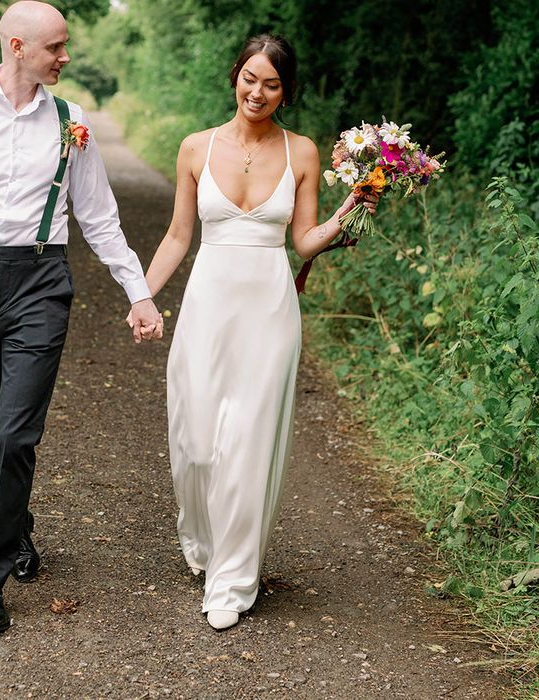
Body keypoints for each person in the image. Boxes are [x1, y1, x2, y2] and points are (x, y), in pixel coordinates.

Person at [0, 0, 162, 635]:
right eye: (56, 48)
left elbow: (97, 216)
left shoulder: (74, 122)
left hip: (41, 280)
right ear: (17, 47)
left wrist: (139, 291)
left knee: (17, 433)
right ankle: (15, 526)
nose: (66, 57)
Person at [142, 35, 377, 630]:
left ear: (286, 91)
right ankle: (201, 536)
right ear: (235, 77)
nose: (258, 91)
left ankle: (233, 580)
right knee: (195, 444)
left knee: (248, 444)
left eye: (272, 84)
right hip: (207, 307)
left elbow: (302, 241)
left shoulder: (302, 152)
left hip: (270, 312)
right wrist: (142, 294)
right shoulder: (196, 147)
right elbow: (177, 236)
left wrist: (350, 209)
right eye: (251, 78)